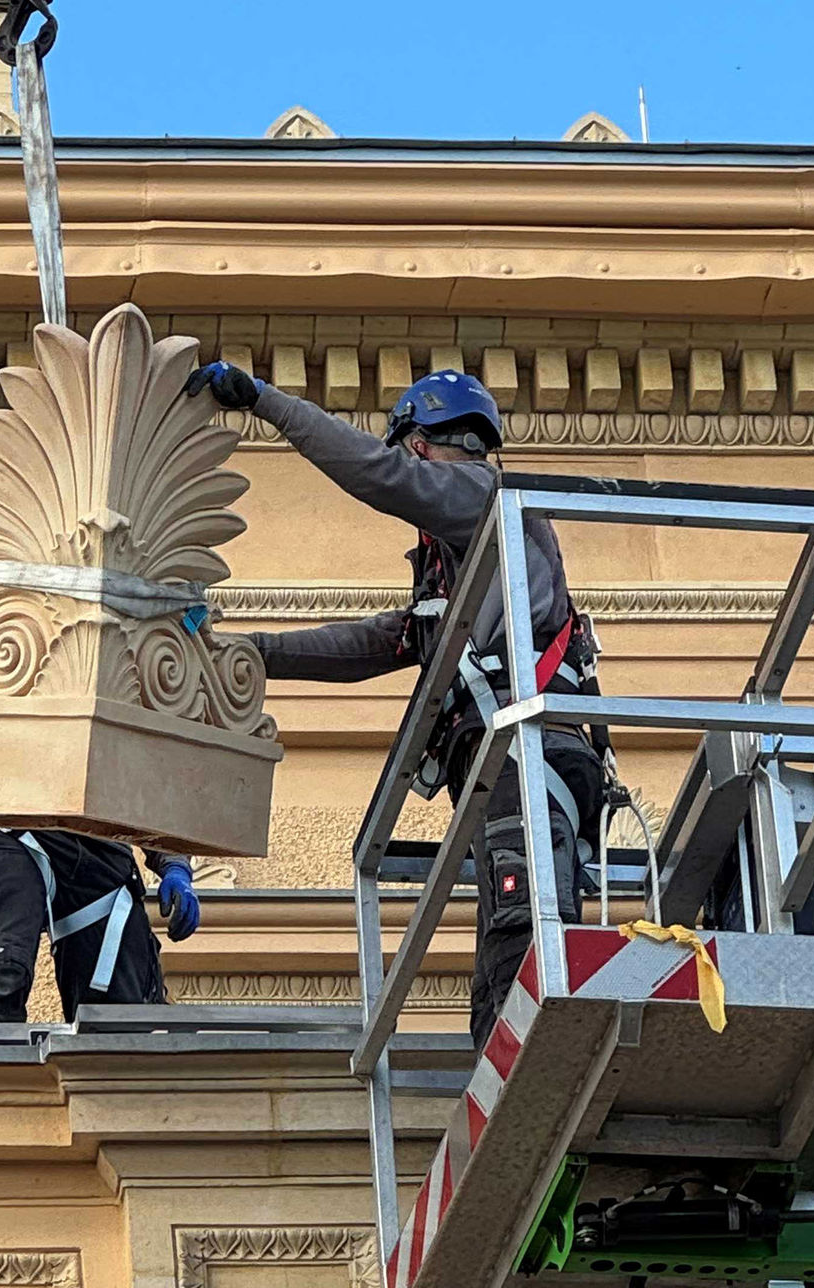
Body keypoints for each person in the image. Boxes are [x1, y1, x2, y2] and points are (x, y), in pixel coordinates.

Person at [187, 360, 606, 1049]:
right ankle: (505, 1070)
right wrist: (247, 650)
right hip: (510, 763)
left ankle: (525, 1071)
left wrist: (265, 401)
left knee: (521, 945)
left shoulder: (487, 496)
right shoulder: (472, 562)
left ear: (420, 444)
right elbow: (379, 642)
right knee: (505, 956)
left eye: (407, 454)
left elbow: (382, 478)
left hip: (528, 756)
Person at [0, 824, 202, 1023]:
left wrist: (174, 861)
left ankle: (123, 1107)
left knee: (125, 1020)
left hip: (97, 845)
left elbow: (144, 764)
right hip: (1, 821)